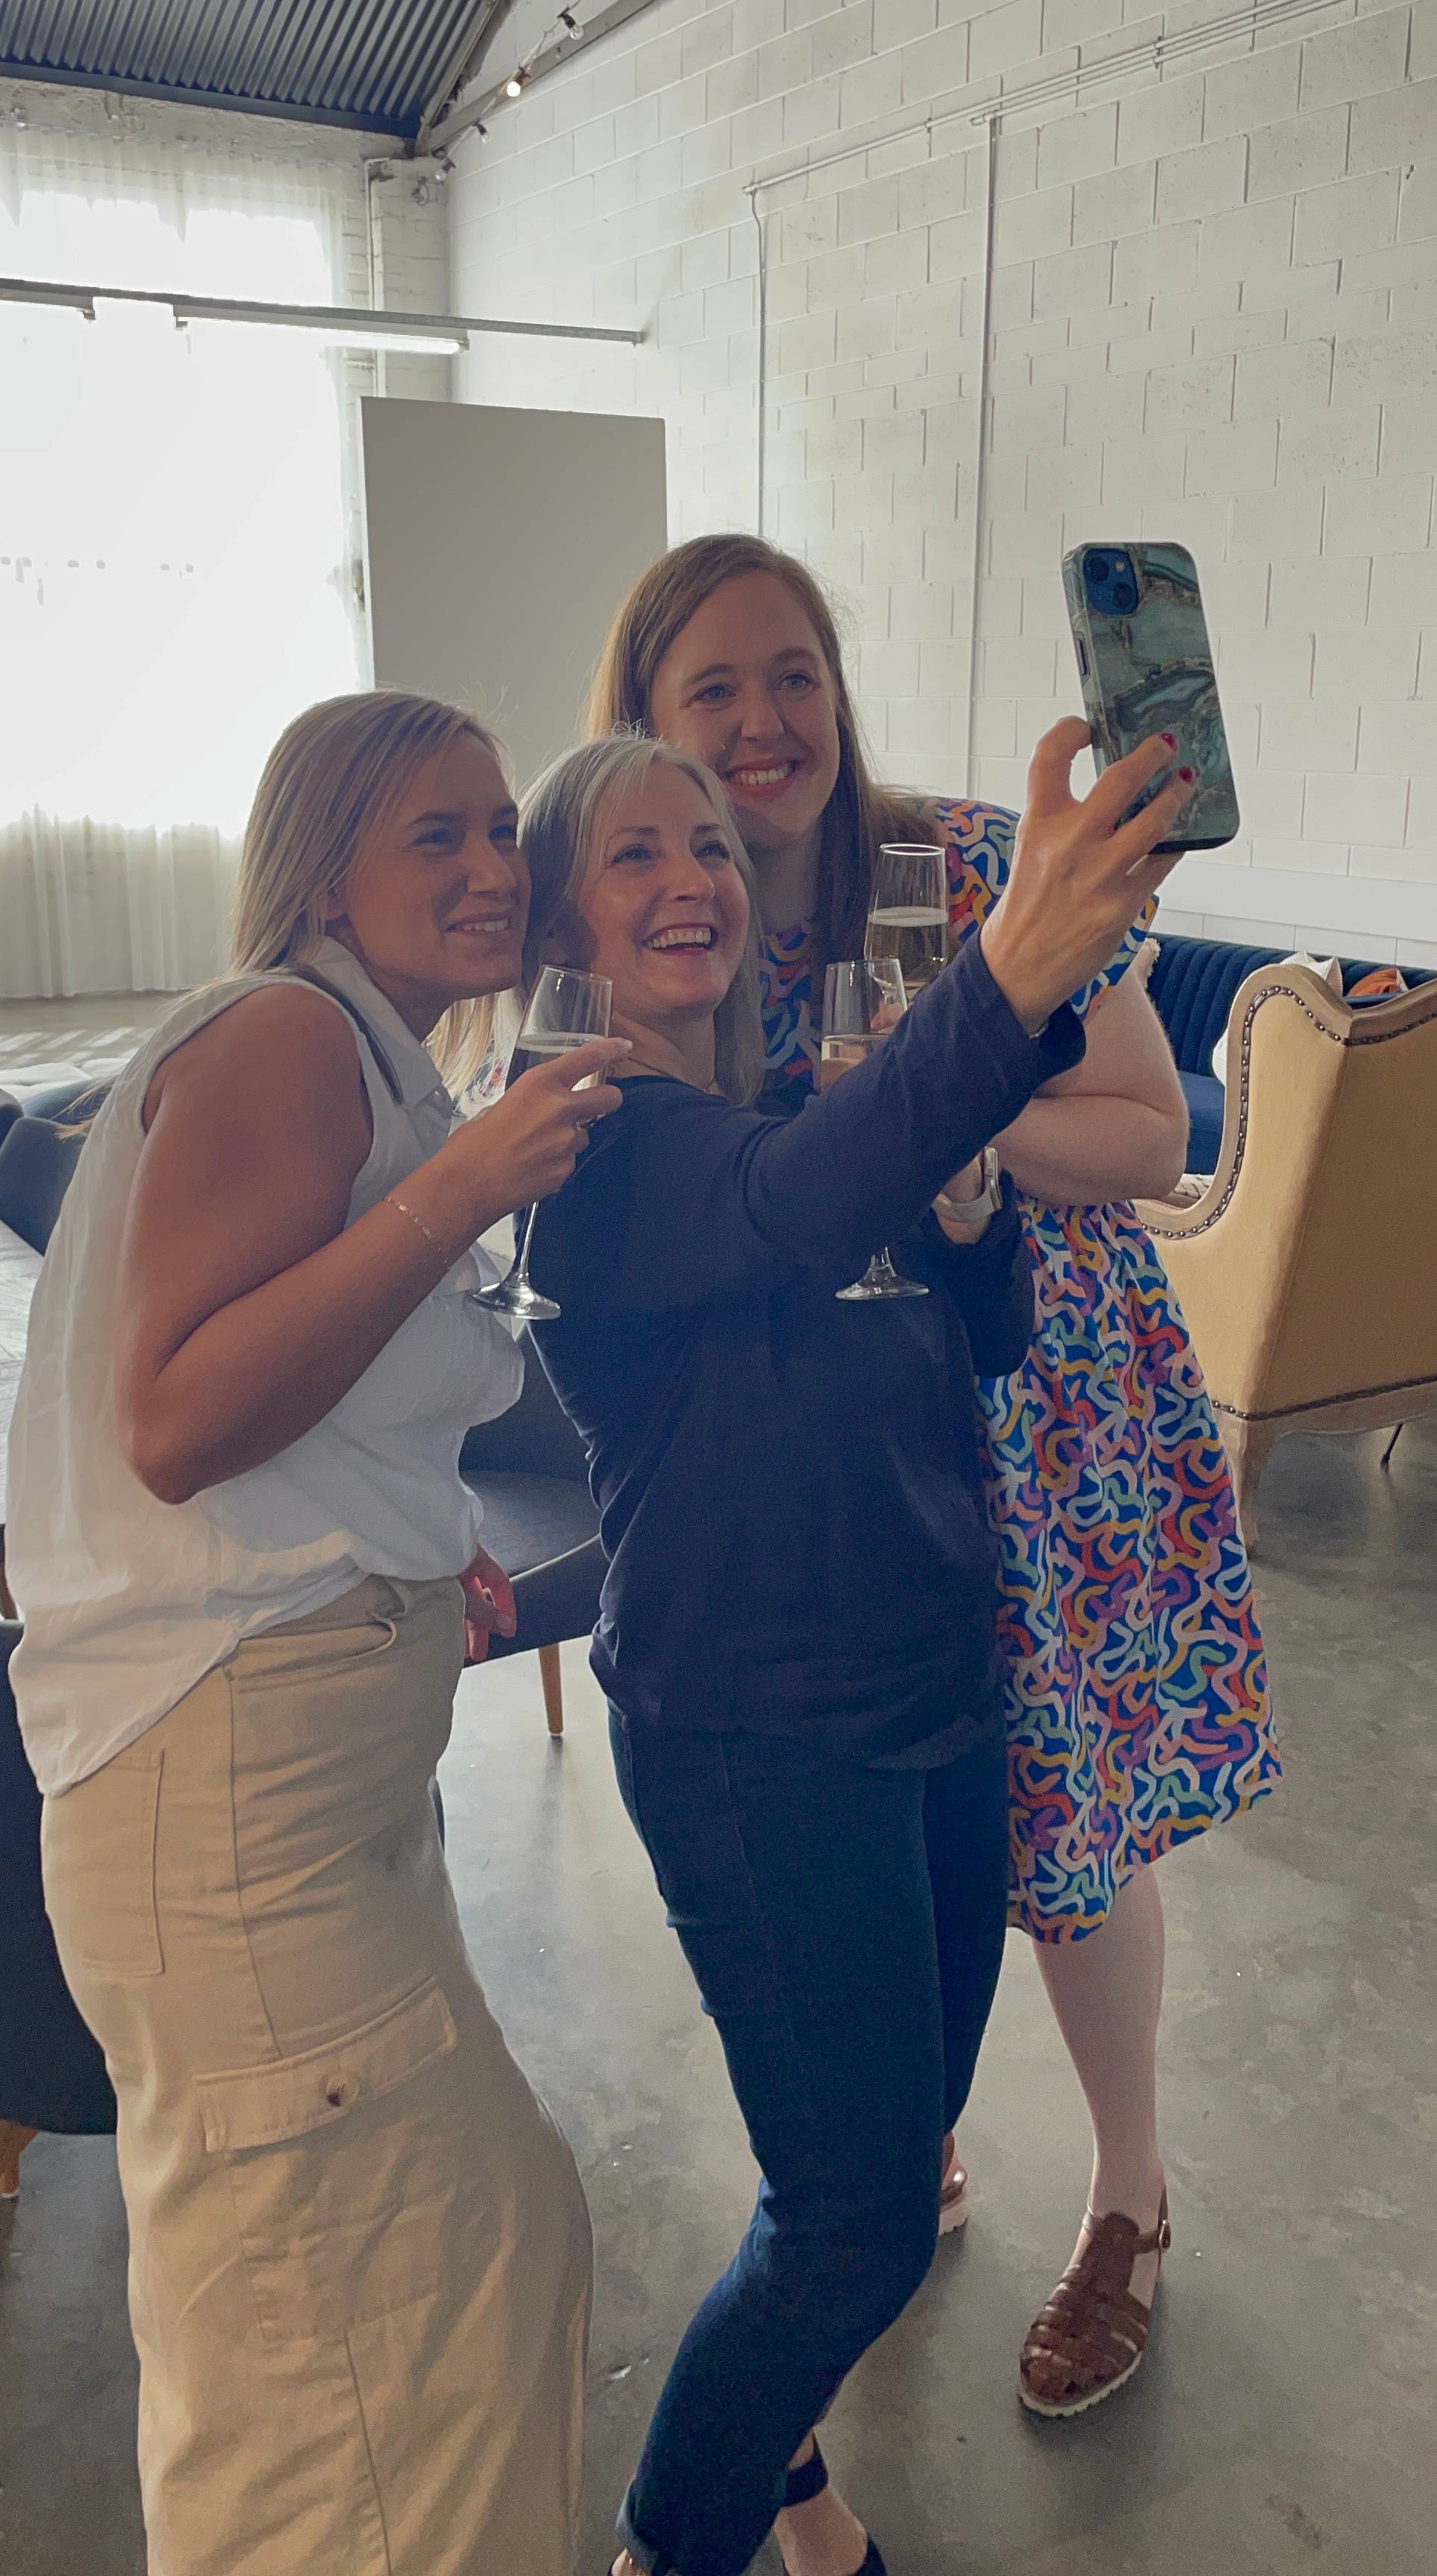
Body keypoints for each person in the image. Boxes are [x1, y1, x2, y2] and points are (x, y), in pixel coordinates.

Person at [587, 533, 1279, 2419]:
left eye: (794, 671)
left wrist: (937, 1111)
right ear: (647, 722)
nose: (762, 719)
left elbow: (1144, 1128)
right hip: (815, 1449)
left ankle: (1130, 2196)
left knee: (1060, 1820)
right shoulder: (656, 902)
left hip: (1032, 1399)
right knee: (894, 1822)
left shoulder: (976, 860)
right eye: (712, 686)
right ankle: (910, 2143)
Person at [508, 721, 1192, 2576]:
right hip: (755, 1740)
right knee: (860, 2220)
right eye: (638, 851)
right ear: (559, 915)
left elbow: (959, 1331)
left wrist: (968, 1218)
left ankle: (786, 2480)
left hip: (932, 1696)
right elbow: (790, 1217)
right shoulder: (592, 1134)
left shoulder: (796, 1111)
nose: (697, 877)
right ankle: (683, 2532)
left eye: (715, 850)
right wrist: (1013, 972)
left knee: (883, 2156)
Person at [7, 691, 629, 2576]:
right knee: (364, 2386)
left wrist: (434, 1560)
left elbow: (329, 1390)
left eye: (496, 827)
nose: (490, 864)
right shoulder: (288, 1032)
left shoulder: (358, 1058)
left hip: (285, 1769)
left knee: (431, 2295)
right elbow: (184, 1413)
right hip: (233, 1796)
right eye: (428, 833)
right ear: (321, 872)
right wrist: (470, 1180)